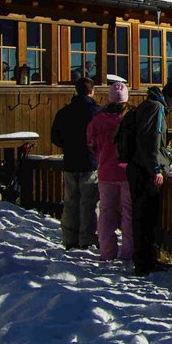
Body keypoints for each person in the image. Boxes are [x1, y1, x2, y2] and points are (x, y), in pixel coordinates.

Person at [127, 80, 172, 277]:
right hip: (145, 173)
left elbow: (153, 145)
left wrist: (169, 158)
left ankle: (147, 260)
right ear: (171, 98)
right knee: (146, 216)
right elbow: (150, 142)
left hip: (138, 169)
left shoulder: (149, 105)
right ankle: (145, 263)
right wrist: (156, 169)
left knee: (142, 216)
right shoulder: (156, 109)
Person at [51, 77, 101, 250]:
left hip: (70, 161)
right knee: (89, 202)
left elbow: (55, 137)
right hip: (90, 162)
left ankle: (70, 237)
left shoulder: (64, 112)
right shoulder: (97, 112)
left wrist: (68, 145)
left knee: (71, 201)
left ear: (76, 91)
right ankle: (87, 238)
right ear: (91, 91)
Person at [87, 82, 133, 262]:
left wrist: (101, 155)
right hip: (127, 172)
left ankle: (107, 252)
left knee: (106, 212)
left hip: (106, 171)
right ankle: (129, 253)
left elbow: (90, 143)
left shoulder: (98, 120)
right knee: (128, 213)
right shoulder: (130, 118)